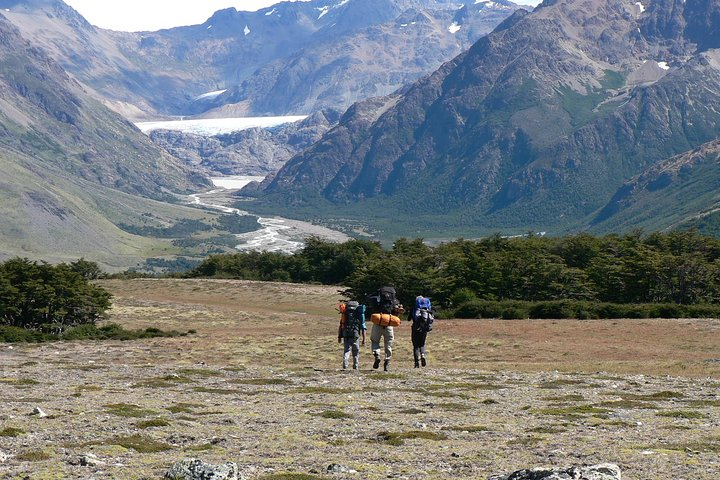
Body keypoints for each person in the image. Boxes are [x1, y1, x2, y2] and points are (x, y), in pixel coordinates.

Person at [367, 286, 403, 371]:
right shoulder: (395, 302)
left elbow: (369, 299)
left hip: (377, 323)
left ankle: (377, 354)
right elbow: (397, 314)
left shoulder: (377, 299)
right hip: (389, 324)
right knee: (389, 343)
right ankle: (387, 359)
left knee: (375, 341)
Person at [338, 300, 366, 370]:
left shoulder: (345, 314)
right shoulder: (359, 316)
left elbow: (341, 325)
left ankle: (345, 363)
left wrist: (339, 336)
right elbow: (363, 327)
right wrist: (364, 339)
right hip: (355, 334)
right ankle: (355, 365)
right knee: (355, 351)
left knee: (347, 350)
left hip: (346, 333)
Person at [410, 294, 434, 368]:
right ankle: (423, 355)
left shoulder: (415, 308)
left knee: (415, 345)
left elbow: (409, 318)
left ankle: (416, 363)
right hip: (424, 329)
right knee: (422, 344)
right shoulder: (428, 310)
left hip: (415, 328)